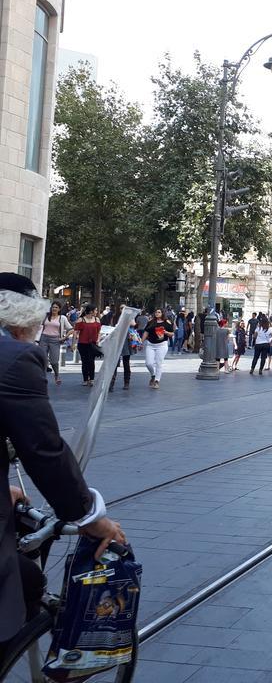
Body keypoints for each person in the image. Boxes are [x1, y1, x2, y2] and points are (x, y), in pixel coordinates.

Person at [0, 273, 127, 655]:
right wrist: (88, 516)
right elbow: (44, 450)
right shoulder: (16, 357)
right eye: (38, 324)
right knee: (22, 582)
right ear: (22, 321)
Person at [39, 301, 72, 386]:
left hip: (55, 340)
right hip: (44, 338)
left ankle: (56, 375)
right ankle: (42, 377)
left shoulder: (62, 318)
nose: (54, 309)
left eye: (56, 307)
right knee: (43, 359)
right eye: (53, 307)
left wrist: (64, 337)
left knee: (54, 361)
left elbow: (71, 329)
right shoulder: (46, 316)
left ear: (59, 309)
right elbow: (39, 326)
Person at [141, 307, 174, 389]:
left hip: (162, 345)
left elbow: (172, 334)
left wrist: (165, 332)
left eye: (159, 312)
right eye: (156, 312)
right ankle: (153, 375)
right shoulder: (151, 322)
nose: (157, 313)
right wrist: (141, 342)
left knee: (159, 363)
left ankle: (156, 381)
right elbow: (146, 332)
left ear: (162, 313)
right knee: (148, 363)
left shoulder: (167, 322)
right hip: (150, 345)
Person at [107, 305, 136, 391]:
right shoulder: (115, 317)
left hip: (126, 341)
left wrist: (128, 318)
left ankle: (126, 382)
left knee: (126, 363)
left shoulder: (129, 317)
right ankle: (111, 383)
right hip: (117, 340)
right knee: (114, 363)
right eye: (121, 308)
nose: (123, 309)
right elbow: (111, 327)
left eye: (124, 308)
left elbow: (133, 324)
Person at [73, 305, 102, 386]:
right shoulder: (81, 320)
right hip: (82, 344)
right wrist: (73, 343)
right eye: (95, 310)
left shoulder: (97, 320)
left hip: (93, 344)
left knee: (91, 361)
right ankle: (85, 379)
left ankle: (92, 379)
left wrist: (98, 339)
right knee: (85, 362)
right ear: (91, 311)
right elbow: (75, 331)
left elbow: (99, 331)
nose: (97, 312)